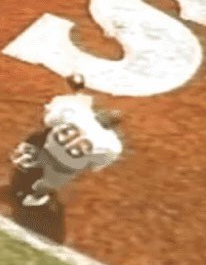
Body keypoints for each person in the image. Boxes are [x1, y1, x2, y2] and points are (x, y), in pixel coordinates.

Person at [9, 73, 124, 207]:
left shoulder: (79, 113)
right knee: (52, 182)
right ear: (114, 127)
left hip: (48, 147)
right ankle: (36, 196)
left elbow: (49, 122)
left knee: (46, 134)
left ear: (100, 113)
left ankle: (28, 158)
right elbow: (94, 166)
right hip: (64, 167)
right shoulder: (112, 144)